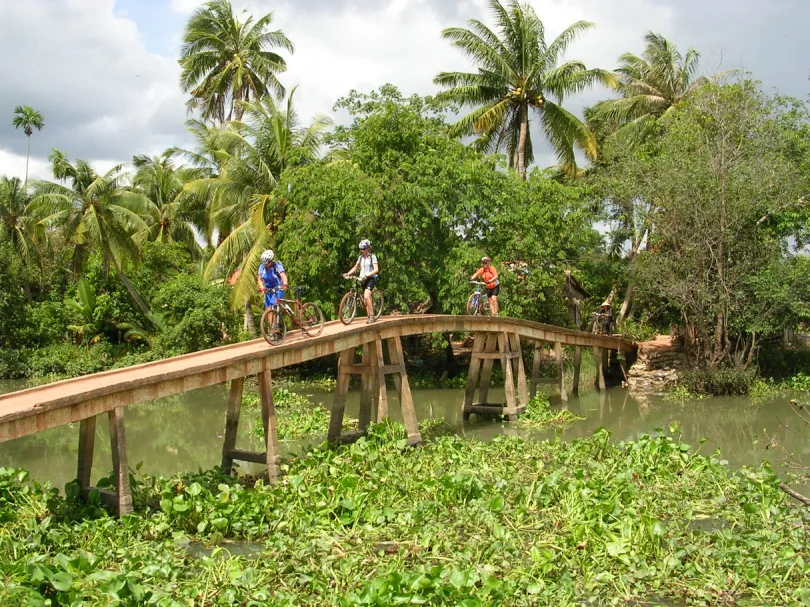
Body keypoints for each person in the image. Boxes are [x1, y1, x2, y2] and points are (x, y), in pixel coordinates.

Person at [343, 239, 379, 323]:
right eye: (361, 249)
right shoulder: (360, 257)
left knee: (366, 296)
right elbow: (356, 268)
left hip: (370, 278)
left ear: (368, 248)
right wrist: (348, 274)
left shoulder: (372, 257)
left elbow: (376, 269)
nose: (363, 251)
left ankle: (372, 316)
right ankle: (369, 316)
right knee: (365, 299)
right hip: (362, 279)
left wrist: (368, 274)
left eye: (364, 249)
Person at [257, 250, 288, 330]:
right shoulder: (262, 267)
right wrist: (262, 288)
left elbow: (283, 276)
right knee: (268, 309)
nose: (266, 265)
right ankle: (271, 328)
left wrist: (284, 284)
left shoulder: (277, 265)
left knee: (275, 306)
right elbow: (259, 279)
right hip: (269, 290)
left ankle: (276, 326)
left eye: (267, 263)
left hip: (278, 288)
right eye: (264, 263)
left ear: (271, 261)